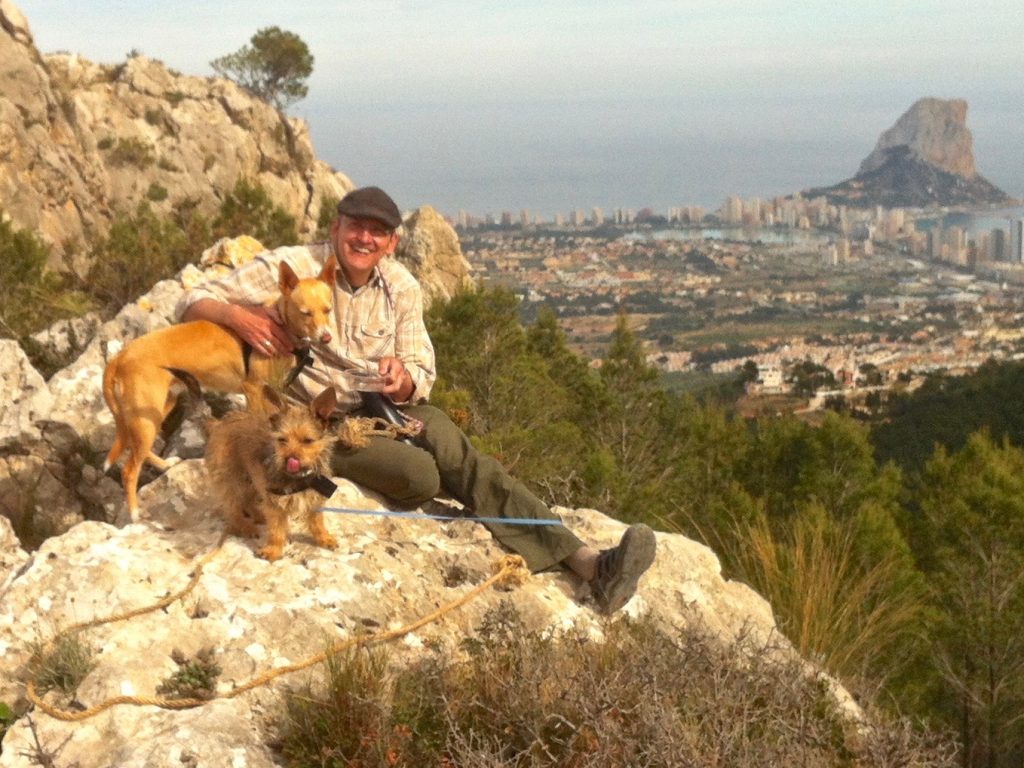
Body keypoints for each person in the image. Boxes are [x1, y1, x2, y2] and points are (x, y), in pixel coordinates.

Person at [176, 186, 656, 613]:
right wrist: (241, 320)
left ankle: (591, 565)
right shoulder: (296, 267)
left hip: (384, 410)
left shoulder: (400, 286)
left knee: (464, 459)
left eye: (378, 232)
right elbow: (191, 297)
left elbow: (421, 367)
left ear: (392, 243)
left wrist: (402, 379)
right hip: (315, 428)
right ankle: (452, 506)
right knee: (420, 476)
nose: (365, 239)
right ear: (335, 228)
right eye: (356, 227)